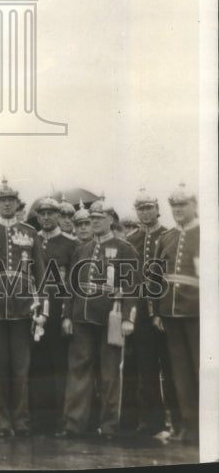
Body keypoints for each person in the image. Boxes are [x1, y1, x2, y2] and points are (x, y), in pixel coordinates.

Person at [58, 199, 138, 441]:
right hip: (81, 318)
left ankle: (109, 426)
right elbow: (71, 287)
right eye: (91, 219)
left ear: (111, 220)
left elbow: (132, 287)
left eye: (99, 218)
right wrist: (67, 315)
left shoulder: (125, 249)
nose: (93, 222)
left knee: (110, 374)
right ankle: (74, 425)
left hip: (110, 319)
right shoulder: (81, 249)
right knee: (78, 373)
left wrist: (127, 318)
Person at [0, 179, 44, 439]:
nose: (6, 204)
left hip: (23, 310)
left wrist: (41, 310)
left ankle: (21, 420)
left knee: (20, 368)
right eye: (2, 201)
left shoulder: (30, 233)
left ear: (17, 203)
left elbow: (41, 274)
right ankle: (1, 421)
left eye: (10, 200)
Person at [127, 188, 180, 440]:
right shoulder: (131, 239)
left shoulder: (169, 236)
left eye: (149, 208)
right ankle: (151, 422)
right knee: (145, 368)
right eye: (141, 208)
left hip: (164, 312)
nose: (145, 212)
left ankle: (179, 423)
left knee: (170, 368)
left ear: (157, 210)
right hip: (140, 314)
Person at [152, 184, 199, 445]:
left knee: (201, 370)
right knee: (180, 373)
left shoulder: (206, 233)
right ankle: (188, 427)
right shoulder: (167, 238)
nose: (178, 210)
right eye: (174, 206)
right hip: (170, 313)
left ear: (194, 205)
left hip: (197, 314)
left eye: (183, 204)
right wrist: (157, 311)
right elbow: (157, 278)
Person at [29, 197, 77, 434]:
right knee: (37, 364)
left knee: (60, 366)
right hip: (35, 309)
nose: (46, 217)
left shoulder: (70, 243)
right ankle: (39, 418)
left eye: (51, 213)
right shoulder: (32, 240)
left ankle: (61, 418)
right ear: (37, 217)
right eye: (42, 213)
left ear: (59, 215)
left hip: (58, 309)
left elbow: (72, 284)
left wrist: (67, 314)